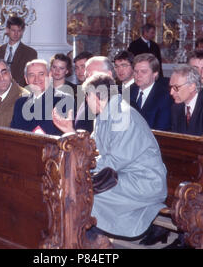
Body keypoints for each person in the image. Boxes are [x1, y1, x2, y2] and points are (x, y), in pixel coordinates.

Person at [52, 73, 167, 239]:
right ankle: (85, 240)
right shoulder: (102, 117)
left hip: (144, 182)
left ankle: (93, 241)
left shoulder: (124, 116)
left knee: (84, 196)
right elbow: (92, 152)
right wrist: (70, 131)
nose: (86, 101)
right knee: (77, 191)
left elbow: (114, 161)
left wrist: (81, 170)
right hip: (120, 177)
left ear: (97, 96)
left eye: (87, 96)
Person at [10, 59, 73, 135]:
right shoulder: (20, 103)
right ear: (26, 79)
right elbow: (13, 133)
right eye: (31, 75)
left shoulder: (63, 100)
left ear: (50, 76)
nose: (37, 79)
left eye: (41, 74)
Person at [129, 53, 172, 131]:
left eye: (143, 72)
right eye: (136, 71)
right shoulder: (128, 91)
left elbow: (161, 129)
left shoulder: (165, 96)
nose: (138, 75)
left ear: (155, 73)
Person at [74, 56, 116, 133]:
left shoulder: (120, 101)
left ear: (109, 74)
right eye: (87, 76)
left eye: (92, 75)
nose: (88, 80)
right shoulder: (87, 96)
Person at [0, 16, 37, 87]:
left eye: (19, 31)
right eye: (13, 30)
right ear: (7, 30)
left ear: (22, 31)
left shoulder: (30, 53)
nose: (16, 34)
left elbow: (31, 76)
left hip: (20, 92)